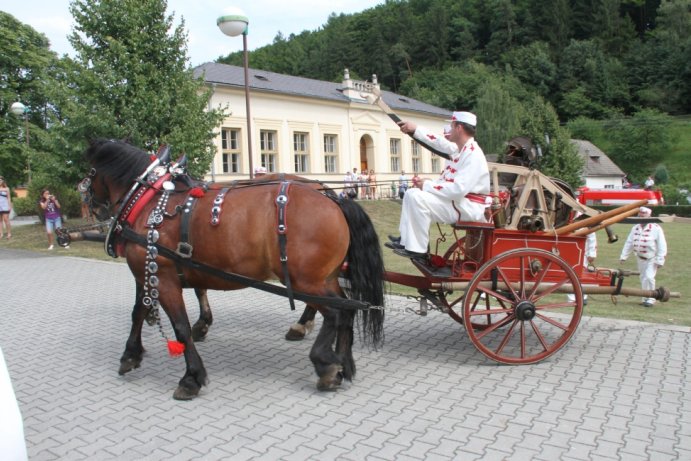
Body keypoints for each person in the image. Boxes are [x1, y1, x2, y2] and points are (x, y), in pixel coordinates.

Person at [387, 111, 490, 259]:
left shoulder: (473, 154)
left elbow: (458, 190)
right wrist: (415, 129)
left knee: (418, 198)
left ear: (459, 128)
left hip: (469, 207)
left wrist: (428, 185)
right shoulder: (461, 150)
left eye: (452, 126)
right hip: (460, 203)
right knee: (411, 193)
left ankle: (418, 249)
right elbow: (437, 142)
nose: (450, 129)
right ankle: (406, 241)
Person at [619, 206, 667, 307]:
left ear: (649, 215)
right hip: (640, 257)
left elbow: (662, 245)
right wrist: (624, 256)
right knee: (643, 278)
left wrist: (660, 260)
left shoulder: (656, 228)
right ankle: (645, 296)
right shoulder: (635, 227)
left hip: (651, 258)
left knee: (649, 277)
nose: (641, 215)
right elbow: (629, 242)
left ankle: (651, 298)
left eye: (644, 214)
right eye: (640, 214)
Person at [568, 230, 597, 305]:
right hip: (571, 250)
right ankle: (573, 298)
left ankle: (583, 297)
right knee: (570, 276)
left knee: (582, 276)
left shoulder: (587, 223)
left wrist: (592, 253)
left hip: (582, 252)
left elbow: (592, 237)